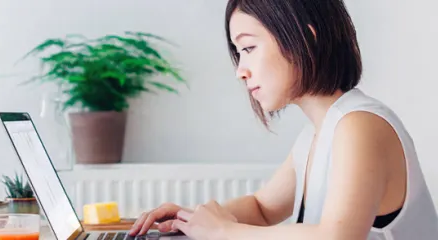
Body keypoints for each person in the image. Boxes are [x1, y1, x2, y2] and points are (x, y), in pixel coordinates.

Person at [129, 0, 438, 239]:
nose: (241, 70)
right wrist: (191, 218)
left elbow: (337, 237)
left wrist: (224, 231)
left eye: (249, 47)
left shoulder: (360, 126)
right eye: (239, 52)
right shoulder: (315, 134)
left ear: (305, 38)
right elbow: (262, 209)